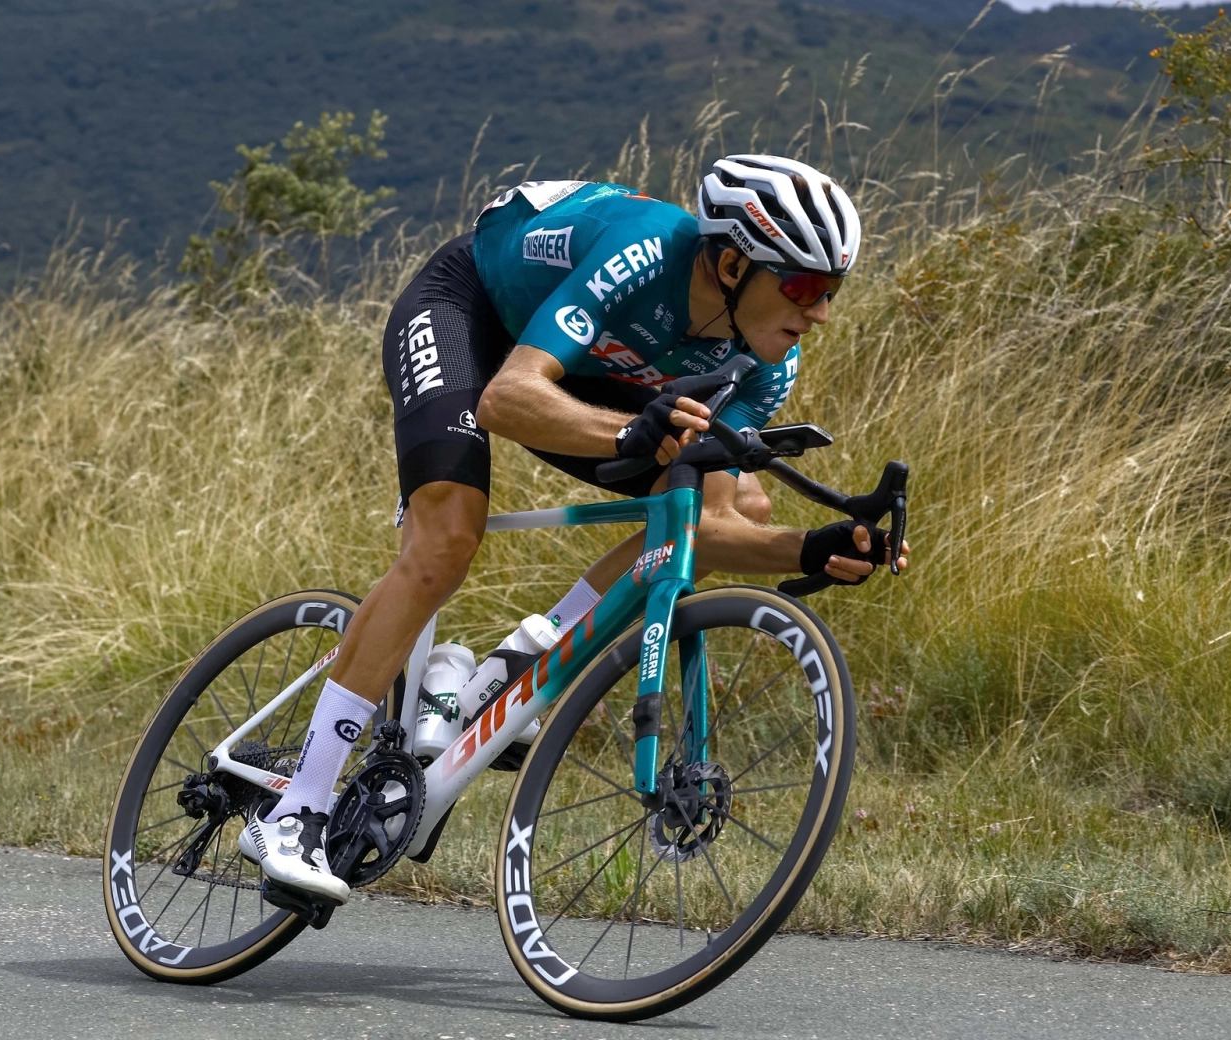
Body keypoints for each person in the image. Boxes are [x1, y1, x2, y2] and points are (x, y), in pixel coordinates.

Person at [239, 155, 909, 903]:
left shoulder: (762, 364)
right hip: (475, 315)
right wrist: (630, 433)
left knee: (735, 502)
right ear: (728, 263)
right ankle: (298, 806)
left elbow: (708, 521)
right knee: (447, 538)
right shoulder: (644, 253)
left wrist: (809, 546)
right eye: (803, 287)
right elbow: (507, 399)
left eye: (831, 292)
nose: (819, 312)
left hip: (595, 370)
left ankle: (522, 658)